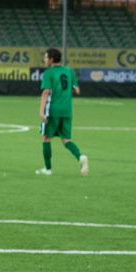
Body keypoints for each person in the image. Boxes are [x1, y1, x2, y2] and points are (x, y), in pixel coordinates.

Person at [37, 48, 88, 176]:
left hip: (52, 110)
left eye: (46, 57)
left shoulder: (49, 73)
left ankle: (48, 169)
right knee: (66, 140)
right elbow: (77, 91)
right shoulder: (69, 71)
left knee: (46, 138)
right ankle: (81, 157)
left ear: (51, 59)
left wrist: (41, 111)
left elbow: (45, 92)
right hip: (67, 111)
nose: (44, 59)